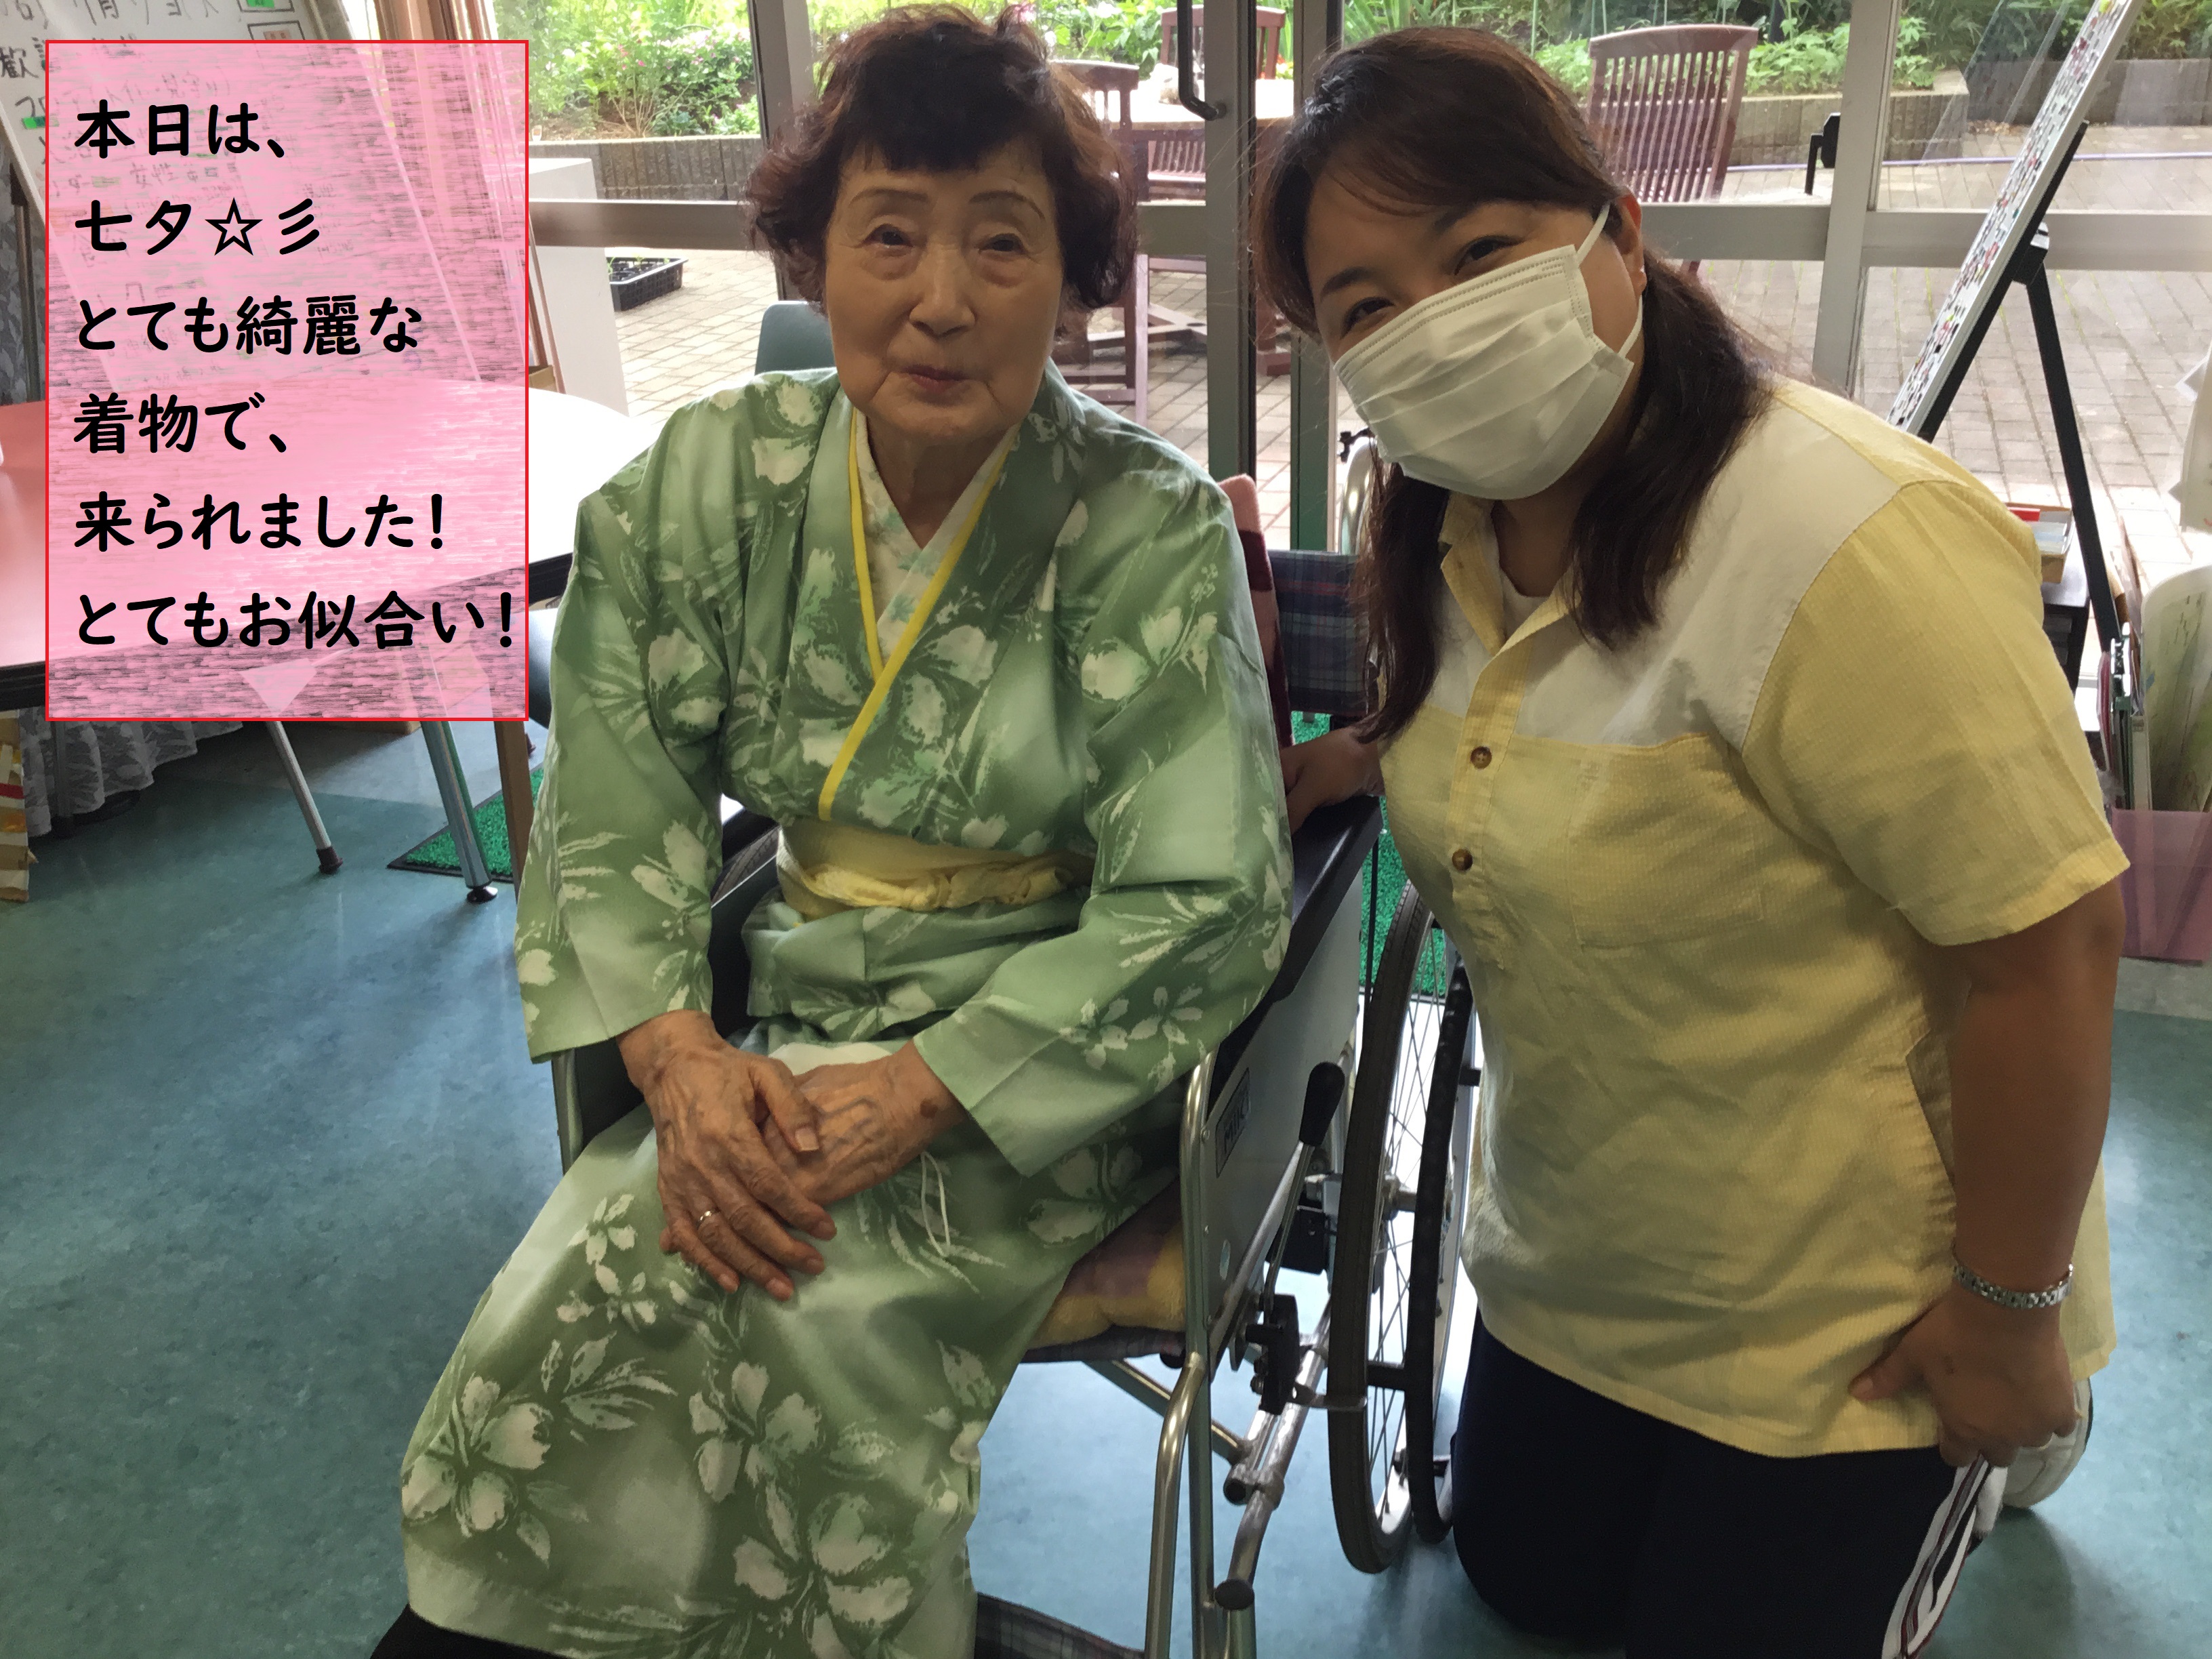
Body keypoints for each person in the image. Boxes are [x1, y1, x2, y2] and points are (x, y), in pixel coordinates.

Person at [375, 12, 1289, 1657]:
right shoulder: (707, 479)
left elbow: (1206, 896)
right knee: (573, 1296)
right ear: (813, 258)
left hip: (1034, 1071)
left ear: (1070, 281)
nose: (941, 299)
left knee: (807, 1316)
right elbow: (615, 790)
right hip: (780, 1030)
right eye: (889, 235)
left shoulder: (1150, 529)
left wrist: (931, 1086)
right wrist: (676, 1056)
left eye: (1001, 242)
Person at [1260, 29, 2126, 1658]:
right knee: (1526, 1582)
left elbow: (2051, 943)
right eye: (1367, 305)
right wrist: (1363, 758)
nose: (1435, 322)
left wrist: (2005, 1316)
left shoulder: (1841, 536)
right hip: (1580, 1257)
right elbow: (1547, 712)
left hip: (1848, 1307)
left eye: (1480, 252)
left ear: (1622, 233)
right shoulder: (1443, 525)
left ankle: (2001, 1438)